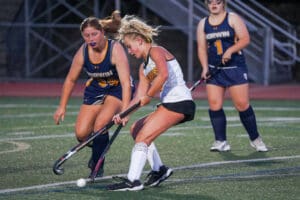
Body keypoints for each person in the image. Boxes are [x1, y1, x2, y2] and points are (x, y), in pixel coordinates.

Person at [106, 15, 196, 191]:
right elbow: (140, 96)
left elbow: (163, 75)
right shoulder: (143, 68)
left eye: (129, 47)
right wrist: (125, 114)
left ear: (139, 41)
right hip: (169, 103)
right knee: (136, 129)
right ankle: (159, 170)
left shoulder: (156, 51)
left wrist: (149, 95)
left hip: (179, 102)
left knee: (143, 137)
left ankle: (133, 180)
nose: (130, 51)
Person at [53, 15, 135, 178]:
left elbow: (126, 82)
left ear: (102, 32)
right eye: (86, 35)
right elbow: (70, 79)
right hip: (97, 88)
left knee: (100, 125)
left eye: (94, 34)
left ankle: (97, 166)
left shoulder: (115, 49)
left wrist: (126, 111)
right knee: (82, 134)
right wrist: (62, 106)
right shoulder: (83, 52)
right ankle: (101, 145)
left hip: (118, 89)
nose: (90, 39)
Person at [196, 0, 268, 152]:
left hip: (235, 67)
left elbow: (245, 39)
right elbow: (202, 48)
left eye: (217, 2)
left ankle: (255, 139)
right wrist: (204, 68)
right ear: (207, 4)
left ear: (223, 4)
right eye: (210, 2)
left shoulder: (232, 18)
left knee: (241, 104)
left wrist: (230, 50)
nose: (214, 5)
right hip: (215, 70)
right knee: (214, 105)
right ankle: (220, 141)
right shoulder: (203, 23)